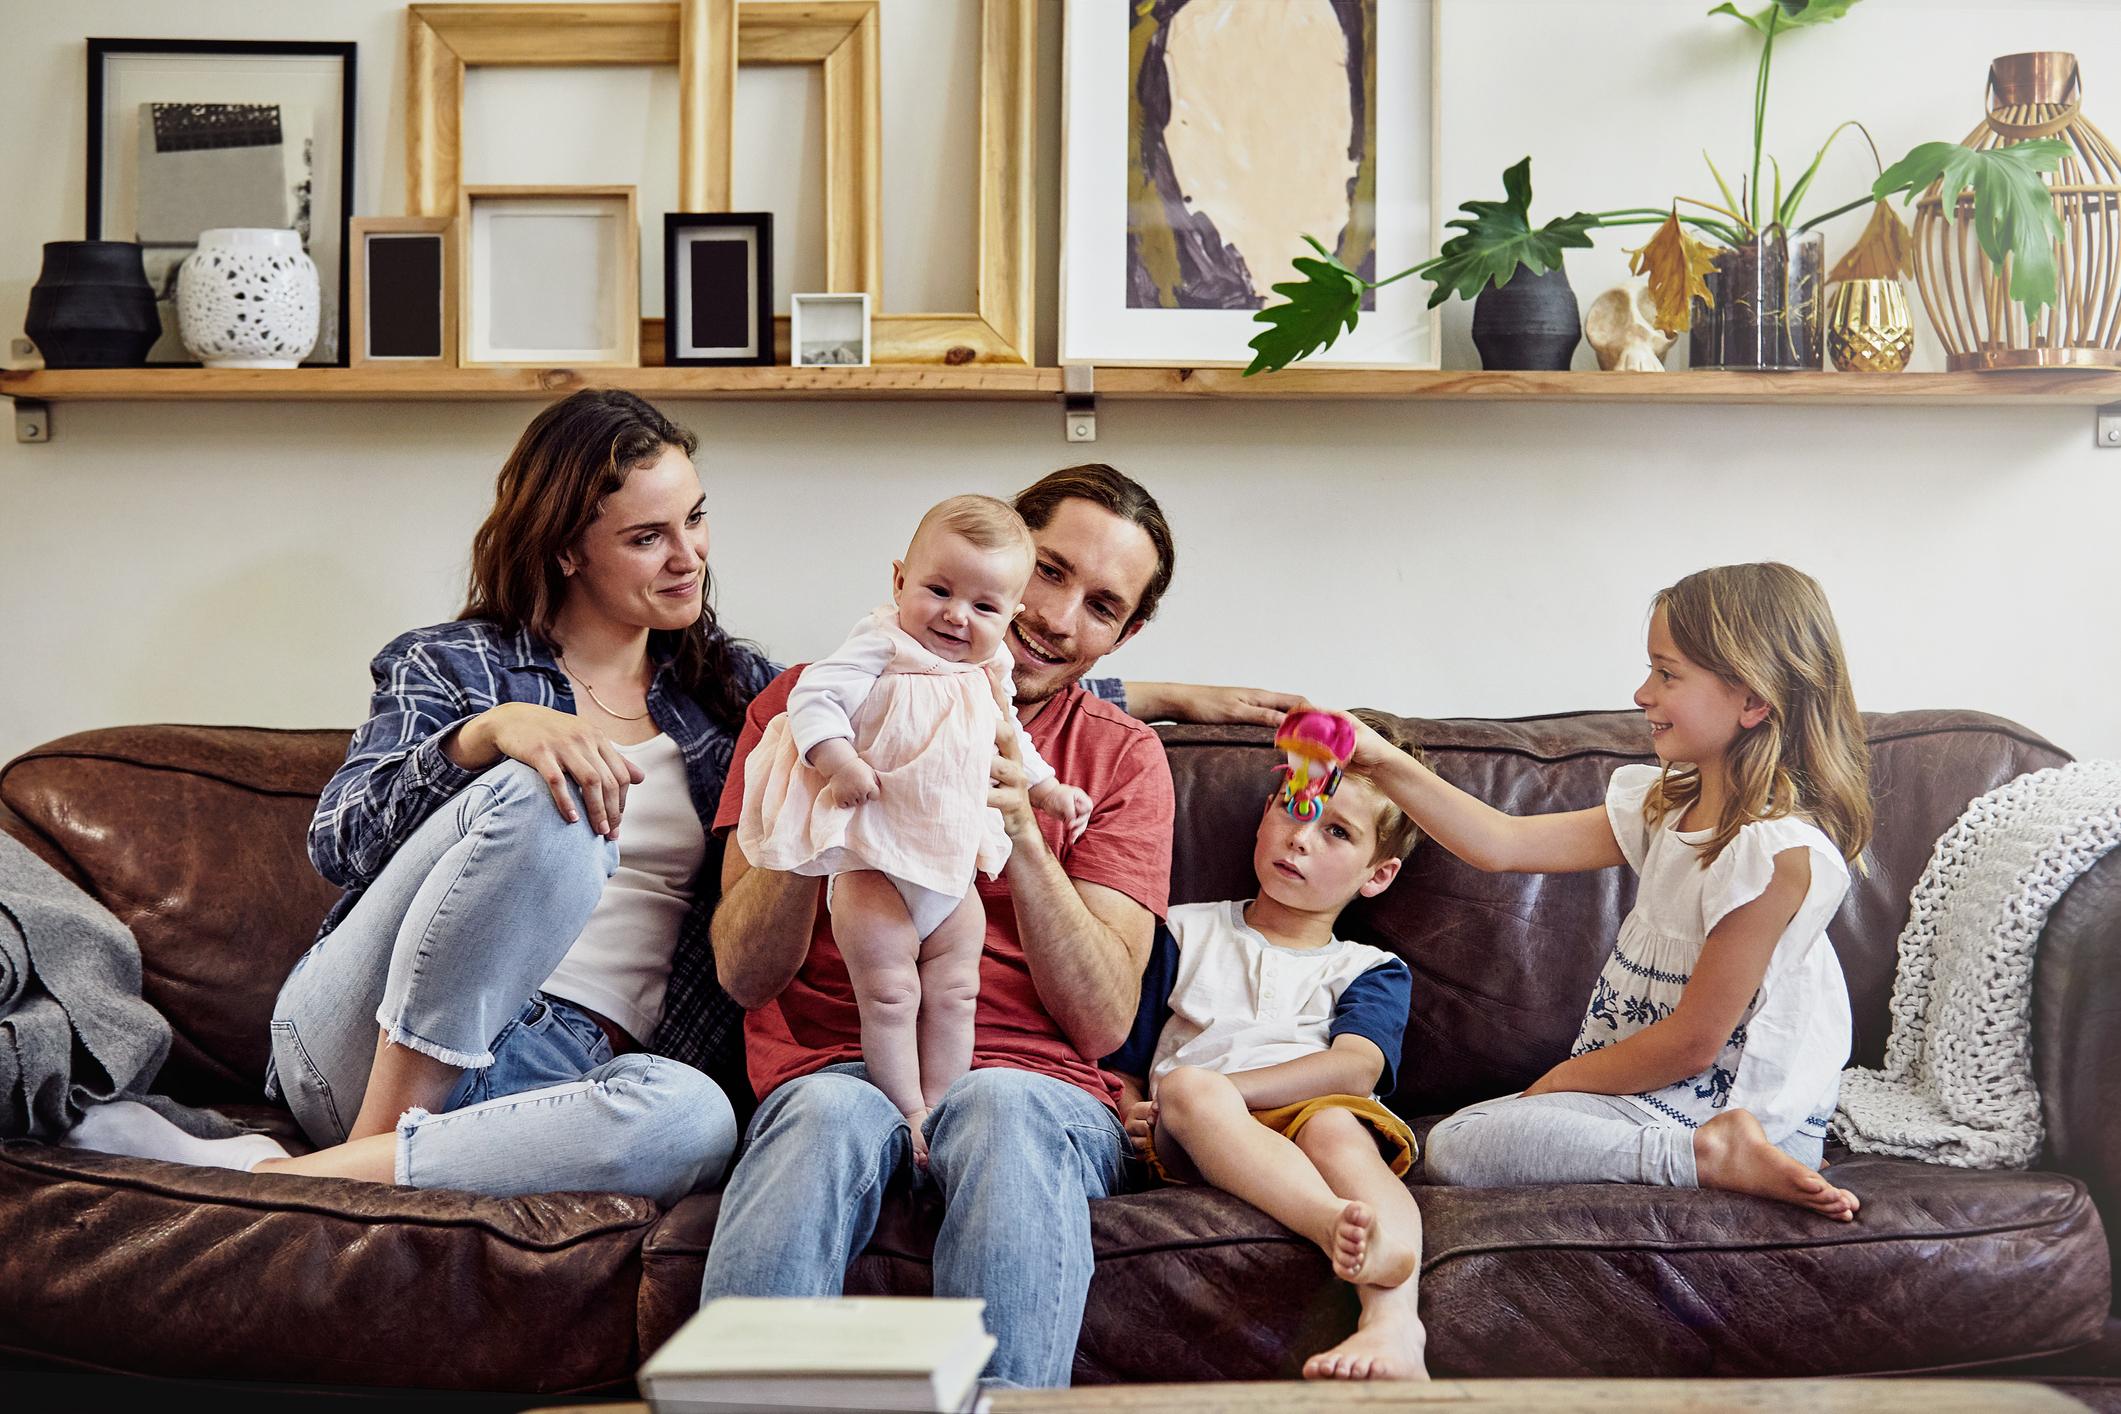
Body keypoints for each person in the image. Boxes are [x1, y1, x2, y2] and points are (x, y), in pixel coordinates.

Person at [67, 390, 770, 1198]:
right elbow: (340, 843)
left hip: (558, 1078)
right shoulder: (450, 664)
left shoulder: (735, 693)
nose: (689, 556)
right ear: (567, 550)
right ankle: (378, 1155)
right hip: (362, 1043)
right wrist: (489, 732)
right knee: (548, 795)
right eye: (648, 538)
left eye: (695, 519)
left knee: (697, 1119)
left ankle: (300, 1180)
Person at [703, 463, 1242, 1390]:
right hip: (831, 1067)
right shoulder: (808, 702)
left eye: (1102, 606)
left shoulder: (1120, 758)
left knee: (999, 1108)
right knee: (830, 1115)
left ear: (1127, 634)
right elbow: (743, 976)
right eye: (1051, 571)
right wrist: (813, 805)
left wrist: (1024, 834)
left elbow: (1107, 1022)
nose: (1058, 618)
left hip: (1034, 1088)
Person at [1377, 564, 1873, 1219]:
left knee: (1454, 1146)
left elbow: (1694, 1043)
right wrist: (1379, 763)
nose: (1641, 693)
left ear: (1751, 701)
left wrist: (1555, 1084)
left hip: (1724, 1106)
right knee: (1457, 1139)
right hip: (1649, 1094)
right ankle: (1692, 1149)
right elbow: (1499, 843)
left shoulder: (1771, 854)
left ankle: (1709, 1156)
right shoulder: (1667, 806)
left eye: (1666, 674)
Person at [737, 494, 1093, 1156]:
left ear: (1010, 617)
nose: (957, 616)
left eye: (984, 607)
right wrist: (838, 762)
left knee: (957, 992)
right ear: (899, 580)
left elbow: (1010, 738)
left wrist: (1047, 790)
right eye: (938, 590)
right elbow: (814, 700)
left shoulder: (988, 673)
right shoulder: (881, 644)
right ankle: (906, 1109)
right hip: (874, 867)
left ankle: (942, 1107)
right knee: (892, 995)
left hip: (950, 873)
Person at [1109, 710, 1429, 1382]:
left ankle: (1395, 1325)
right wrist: (1132, 1108)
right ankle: (1328, 1221)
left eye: (1336, 831)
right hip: (1193, 1123)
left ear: (1377, 875)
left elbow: (1355, 1064)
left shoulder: (1366, 968)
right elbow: (1123, 1055)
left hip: (1310, 1111)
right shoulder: (1179, 932)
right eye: (1292, 808)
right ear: (1264, 815)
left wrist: (1239, 1088)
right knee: (1190, 1086)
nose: (1300, 838)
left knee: (1338, 1126)